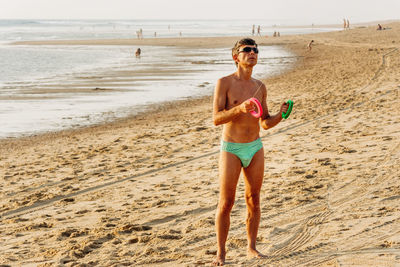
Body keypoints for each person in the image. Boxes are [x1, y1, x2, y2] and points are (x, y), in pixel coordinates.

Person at [212, 38, 289, 266]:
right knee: (226, 202)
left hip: (255, 147)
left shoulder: (260, 86)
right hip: (232, 148)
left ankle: (251, 248)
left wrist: (280, 115)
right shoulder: (224, 83)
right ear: (236, 56)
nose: (253, 53)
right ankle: (221, 253)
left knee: (253, 199)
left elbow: (264, 122)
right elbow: (216, 118)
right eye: (247, 50)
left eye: (255, 50)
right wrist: (238, 108)